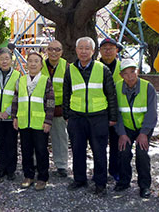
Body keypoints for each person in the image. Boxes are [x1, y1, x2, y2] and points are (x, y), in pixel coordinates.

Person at [63, 37, 118, 196]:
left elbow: (111, 94)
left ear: (93, 51)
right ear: (76, 50)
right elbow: (66, 94)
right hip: (76, 117)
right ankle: (79, 179)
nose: (84, 51)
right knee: (78, 150)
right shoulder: (70, 69)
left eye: (87, 48)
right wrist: (67, 115)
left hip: (98, 117)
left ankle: (100, 183)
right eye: (81, 48)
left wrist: (112, 116)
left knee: (99, 151)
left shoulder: (102, 69)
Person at [113, 59, 157, 198]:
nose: (130, 76)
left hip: (143, 127)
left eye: (133, 72)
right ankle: (124, 181)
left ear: (137, 71)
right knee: (123, 151)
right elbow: (116, 113)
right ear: (121, 75)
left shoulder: (147, 87)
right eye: (126, 73)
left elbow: (152, 113)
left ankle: (144, 186)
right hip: (126, 128)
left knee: (142, 153)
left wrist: (144, 133)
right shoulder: (117, 88)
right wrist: (121, 133)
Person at [12, 51, 55, 191]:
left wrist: (48, 121)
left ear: (41, 65)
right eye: (30, 61)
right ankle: (28, 175)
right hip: (24, 122)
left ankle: (43, 177)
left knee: (42, 151)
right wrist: (15, 117)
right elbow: (16, 100)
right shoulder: (21, 80)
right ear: (27, 63)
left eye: (36, 61)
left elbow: (50, 103)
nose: (33, 64)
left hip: (40, 123)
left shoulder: (45, 81)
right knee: (26, 150)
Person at [41, 39, 69, 177]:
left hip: (59, 110)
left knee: (60, 137)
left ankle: (62, 165)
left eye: (57, 49)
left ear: (62, 52)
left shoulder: (67, 67)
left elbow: (70, 90)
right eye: (51, 49)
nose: (54, 52)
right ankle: (38, 163)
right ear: (47, 50)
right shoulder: (39, 65)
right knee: (39, 139)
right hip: (41, 109)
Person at [0, 47, 21, 181]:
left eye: (7, 58)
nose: (4, 61)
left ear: (11, 60)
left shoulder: (17, 75)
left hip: (11, 117)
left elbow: (18, 96)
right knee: (1, 143)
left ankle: (11, 170)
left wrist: (8, 112)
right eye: (1, 59)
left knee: (11, 143)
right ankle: (1, 168)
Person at [98, 37, 123, 182]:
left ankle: (115, 170)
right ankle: (100, 172)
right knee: (99, 144)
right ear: (100, 51)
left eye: (111, 48)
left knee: (116, 143)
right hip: (100, 111)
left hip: (118, 112)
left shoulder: (122, 67)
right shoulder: (95, 67)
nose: (108, 51)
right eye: (104, 48)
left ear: (116, 50)